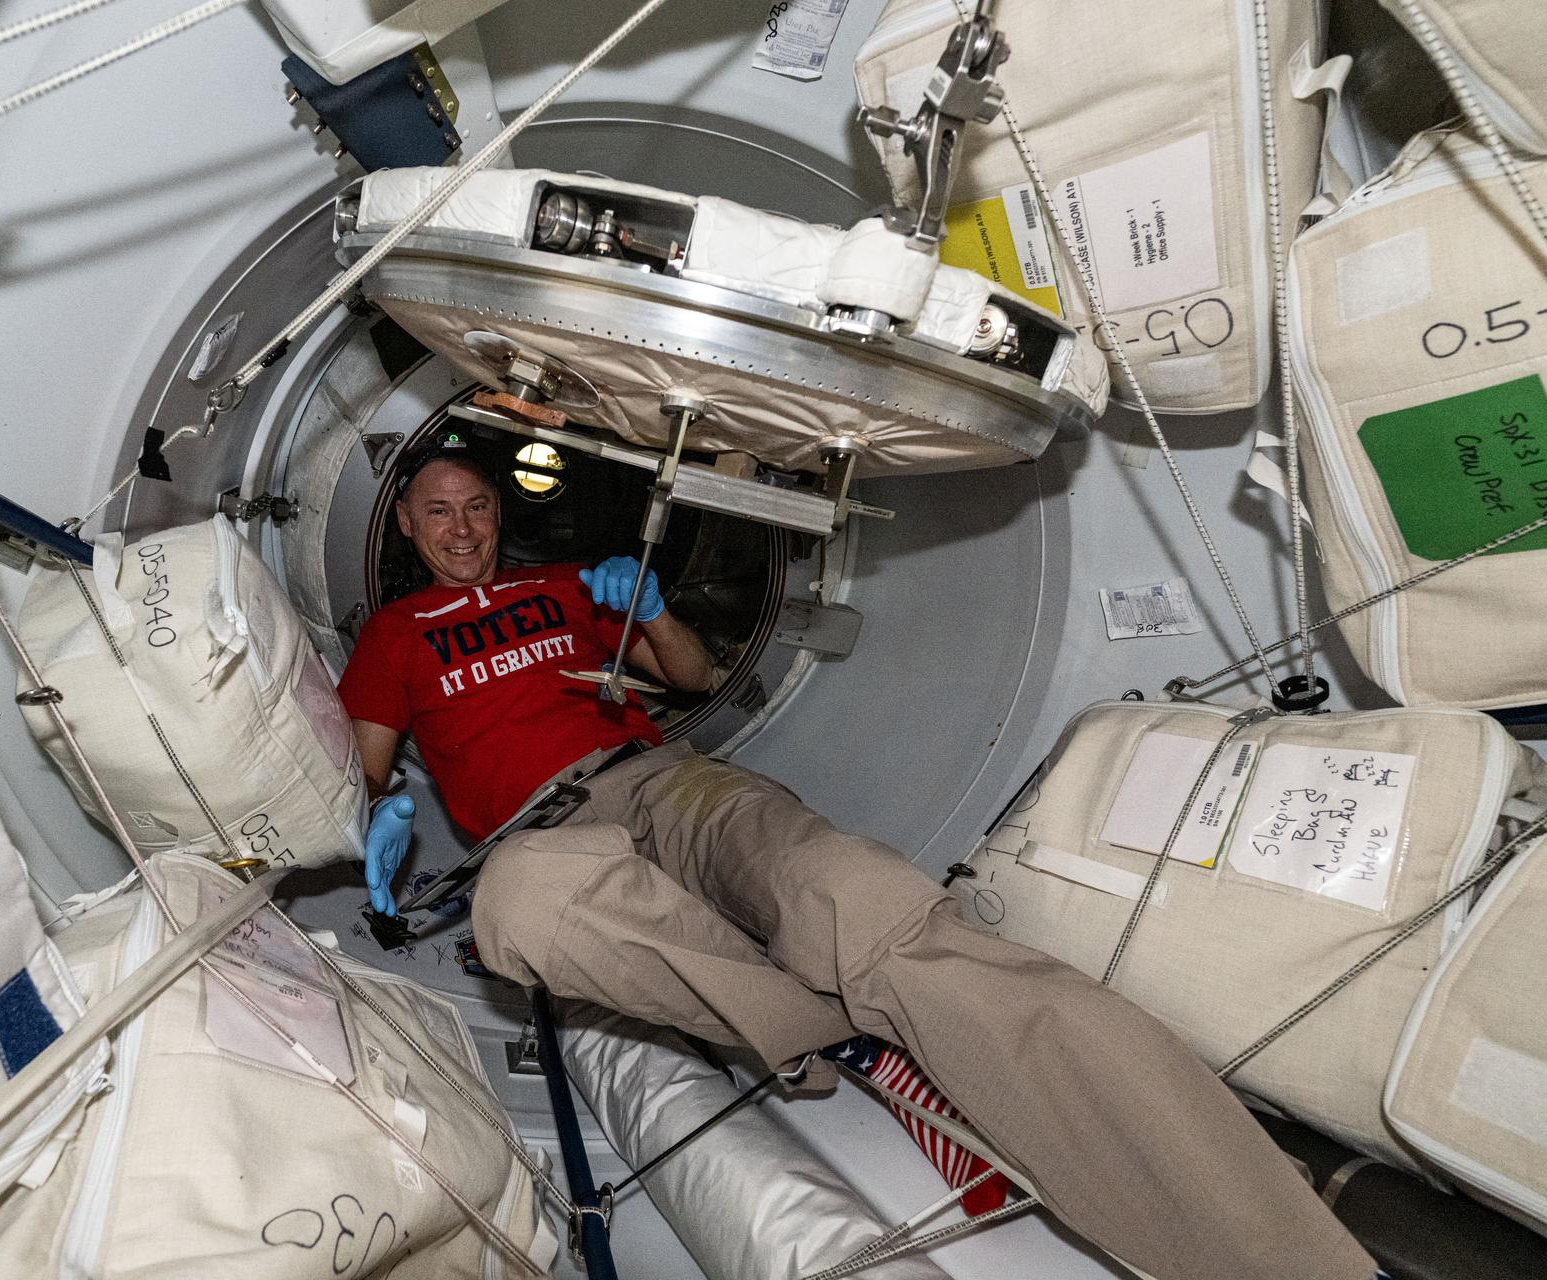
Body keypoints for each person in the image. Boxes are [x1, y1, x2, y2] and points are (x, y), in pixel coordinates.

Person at [337, 438, 1382, 1280]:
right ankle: (817, 1027)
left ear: (499, 515)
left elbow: (696, 673)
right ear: (408, 525)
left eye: (477, 504)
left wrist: (648, 606)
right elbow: (373, 765)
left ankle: (1277, 1253)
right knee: (516, 907)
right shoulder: (394, 634)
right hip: (540, 827)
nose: (463, 526)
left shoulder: (572, 586)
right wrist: (380, 813)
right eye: (439, 510)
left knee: (859, 895)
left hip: (661, 777)